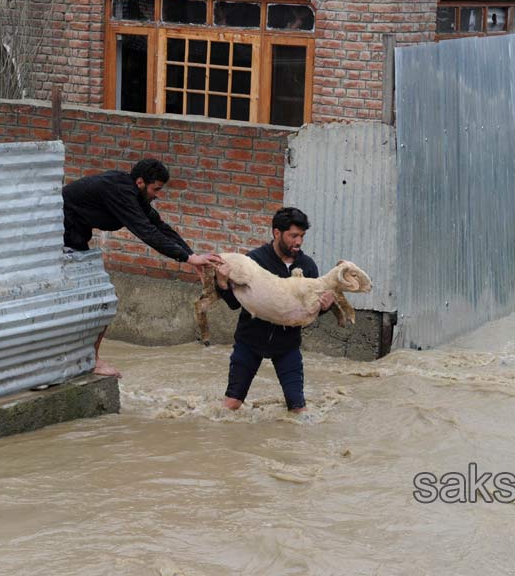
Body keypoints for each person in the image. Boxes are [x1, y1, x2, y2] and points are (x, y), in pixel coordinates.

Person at [62, 158, 222, 377]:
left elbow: (159, 226)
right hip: (54, 240)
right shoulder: (119, 192)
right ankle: (91, 360)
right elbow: (145, 232)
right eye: (155, 189)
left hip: (74, 242)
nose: (157, 194)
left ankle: (86, 358)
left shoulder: (132, 194)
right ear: (140, 182)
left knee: (102, 300)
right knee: (103, 299)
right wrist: (187, 258)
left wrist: (191, 256)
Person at [215, 207, 335, 414]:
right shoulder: (254, 262)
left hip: (286, 345)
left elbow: (307, 312)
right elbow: (235, 304)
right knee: (231, 406)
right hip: (250, 341)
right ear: (277, 233)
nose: (298, 242)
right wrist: (222, 282)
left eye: (302, 236)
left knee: (299, 411)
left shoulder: (307, 267)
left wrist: (325, 306)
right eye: (293, 236)